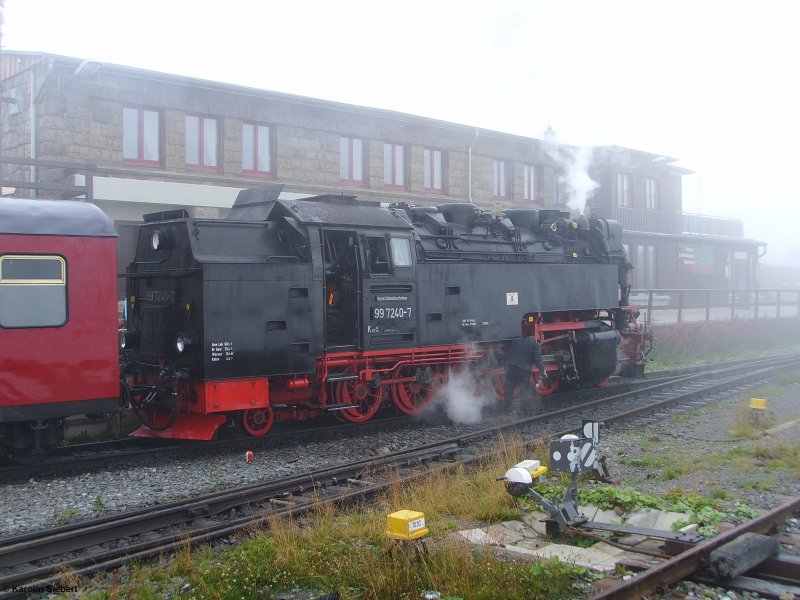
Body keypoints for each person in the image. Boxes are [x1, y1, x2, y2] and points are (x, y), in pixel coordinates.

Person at [504, 335, 548, 411]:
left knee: (509, 388)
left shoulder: (516, 341)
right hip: (522, 369)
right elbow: (537, 360)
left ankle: (506, 408)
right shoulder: (535, 345)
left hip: (510, 367)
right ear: (534, 340)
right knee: (526, 389)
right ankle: (526, 409)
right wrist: (542, 371)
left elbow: (507, 352)